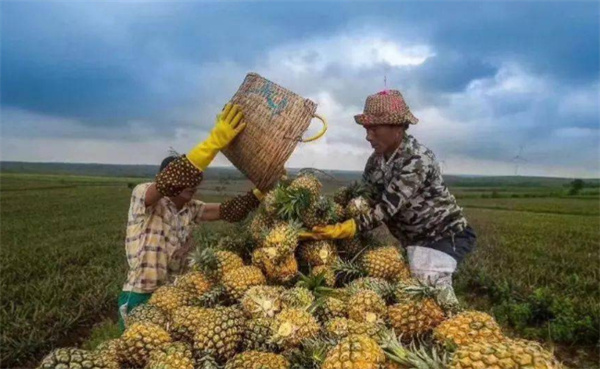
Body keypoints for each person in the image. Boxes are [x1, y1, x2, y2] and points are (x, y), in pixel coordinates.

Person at [301, 90, 476, 303]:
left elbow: (386, 208)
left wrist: (346, 228)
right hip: (414, 241)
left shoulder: (417, 159)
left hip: (443, 237)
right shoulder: (376, 160)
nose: (368, 136)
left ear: (397, 128)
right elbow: (365, 192)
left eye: (374, 128)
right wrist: (329, 210)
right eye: (366, 129)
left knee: (432, 296)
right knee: (411, 293)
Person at [118, 103, 262, 330]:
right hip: (140, 294)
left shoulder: (191, 208)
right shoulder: (145, 197)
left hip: (174, 297)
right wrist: (213, 142)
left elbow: (227, 211)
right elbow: (170, 182)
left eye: (197, 180)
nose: (193, 184)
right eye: (188, 178)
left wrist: (259, 193)